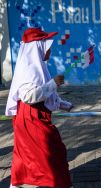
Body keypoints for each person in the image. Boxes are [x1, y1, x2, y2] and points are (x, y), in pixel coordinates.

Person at [5, 27, 73, 188]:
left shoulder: (36, 66)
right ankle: (58, 183)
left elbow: (43, 95)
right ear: (38, 47)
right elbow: (29, 97)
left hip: (31, 116)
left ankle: (22, 183)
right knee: (53, 152)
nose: (49, 50)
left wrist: (63, 104)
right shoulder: (30, 69)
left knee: (28, 155)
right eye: (47, 46)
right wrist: (53, 83)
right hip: (31, 117)